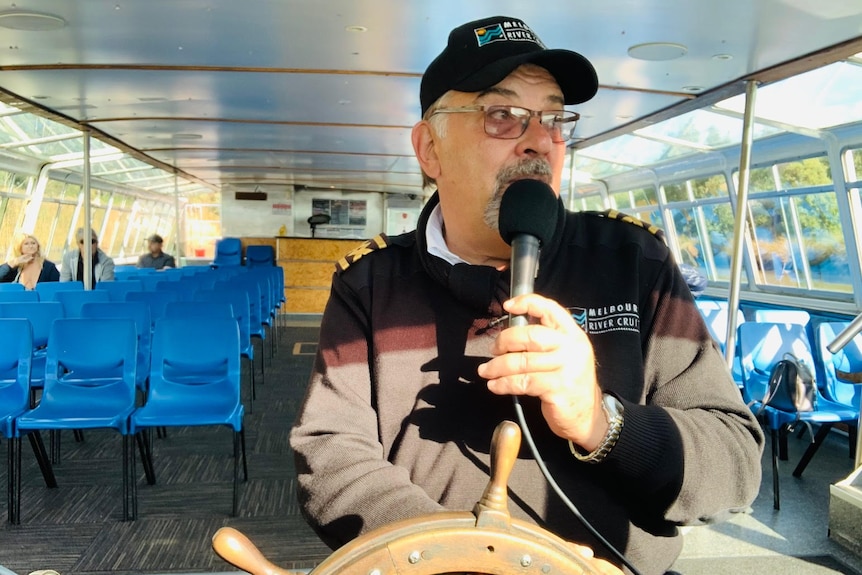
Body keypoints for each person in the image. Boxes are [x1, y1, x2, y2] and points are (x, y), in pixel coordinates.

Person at [289, 15, 764, 575]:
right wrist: (458, 556)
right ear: (429, 148)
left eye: (554, 118)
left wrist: (602, 421)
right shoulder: (369, 283)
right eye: (502, 115)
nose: (541, 140)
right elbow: (331, 451)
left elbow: (735, 462)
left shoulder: (632, 260)